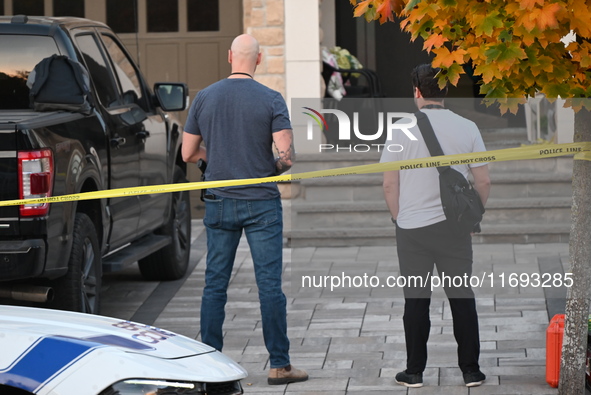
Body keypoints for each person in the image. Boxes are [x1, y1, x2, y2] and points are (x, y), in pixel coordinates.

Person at [181, 34, 308, 386]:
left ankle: (210, 363)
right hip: (262, 205)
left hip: (220, 202)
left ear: (229, 57)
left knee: (214, 285)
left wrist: (215, 158)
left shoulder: (205, 97)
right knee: (269, 286)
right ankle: (279, 365)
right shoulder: (270, 99)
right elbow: (286, 157)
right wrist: (267, 167)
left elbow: (188, 154)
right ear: (259, 59)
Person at [380, 64, 491, 388]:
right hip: (454, 228)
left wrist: (400, 219)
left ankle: (414, 371)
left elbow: (390, 184)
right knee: (462, 296)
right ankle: (471, 370)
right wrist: (472, 218)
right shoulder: (467, 126)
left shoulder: (401, 129)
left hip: (412, 229)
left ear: (417, 91)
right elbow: (482, 181)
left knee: (416, 300)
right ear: (447, 88)